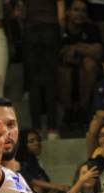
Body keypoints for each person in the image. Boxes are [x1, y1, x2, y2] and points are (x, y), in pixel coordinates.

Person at [21, 0, 65, 138]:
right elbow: (61, 12)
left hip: (31, 28)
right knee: (51, 81)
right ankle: (52, 128)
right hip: (50, 27)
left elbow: (21, 11)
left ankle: (37, 127)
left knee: (33, 82)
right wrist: (61, 33)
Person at [59, 0, 102, 126]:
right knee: (63, 69)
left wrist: (76, 48)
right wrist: (85, 49)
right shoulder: (61, 28)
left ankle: (83, 109)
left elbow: (98, 51)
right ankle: (68, 111)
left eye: (83, 11)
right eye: (76, 10)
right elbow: (59, 53)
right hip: (65, 70)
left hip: (85, 71)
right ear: (67, 12)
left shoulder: (91, 28)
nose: (80, 14)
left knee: (90, 63)